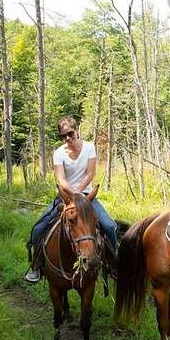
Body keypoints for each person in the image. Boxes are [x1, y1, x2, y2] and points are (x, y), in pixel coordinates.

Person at [24, 116, 119, 283]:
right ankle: (37, 267)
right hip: (65, 197)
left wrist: (79, 193)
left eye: (70, 133)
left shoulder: (89, 147)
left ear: (76, 131)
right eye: (63, 136)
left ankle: (114, 264)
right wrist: (72, 194)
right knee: (38, 229)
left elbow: (90, 174)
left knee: (109, 226)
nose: (67, 138)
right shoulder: (59, 153)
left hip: (86, 198)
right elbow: (60, 178)